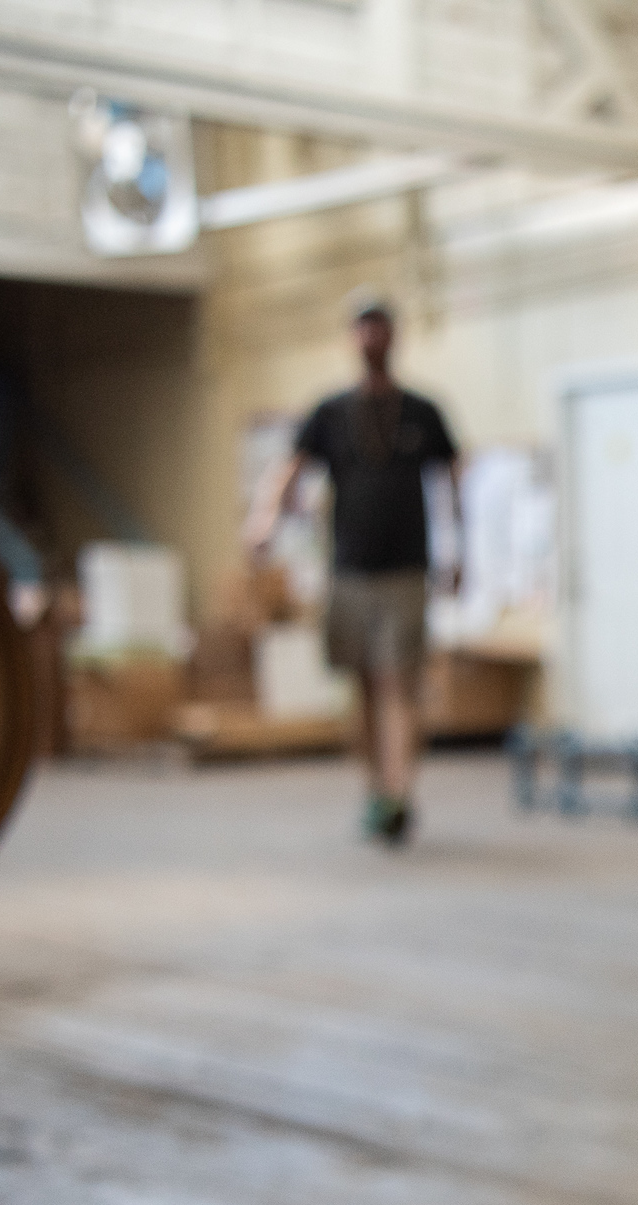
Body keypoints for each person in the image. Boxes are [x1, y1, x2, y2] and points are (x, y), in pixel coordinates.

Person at [245, 290, 462, 846]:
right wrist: (265, 523)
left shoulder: (422, 412)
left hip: (407, 569)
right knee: (363, 687)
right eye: (362, 328)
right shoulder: (330, 413)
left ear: (394, 336)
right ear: (352, 338)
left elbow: (451, 483)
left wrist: (460, 552)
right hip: (349, 571)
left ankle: (399, 793)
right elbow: (290, 471)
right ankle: (374, 788)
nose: (372, 338)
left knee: (399, 683)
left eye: (380, 327)